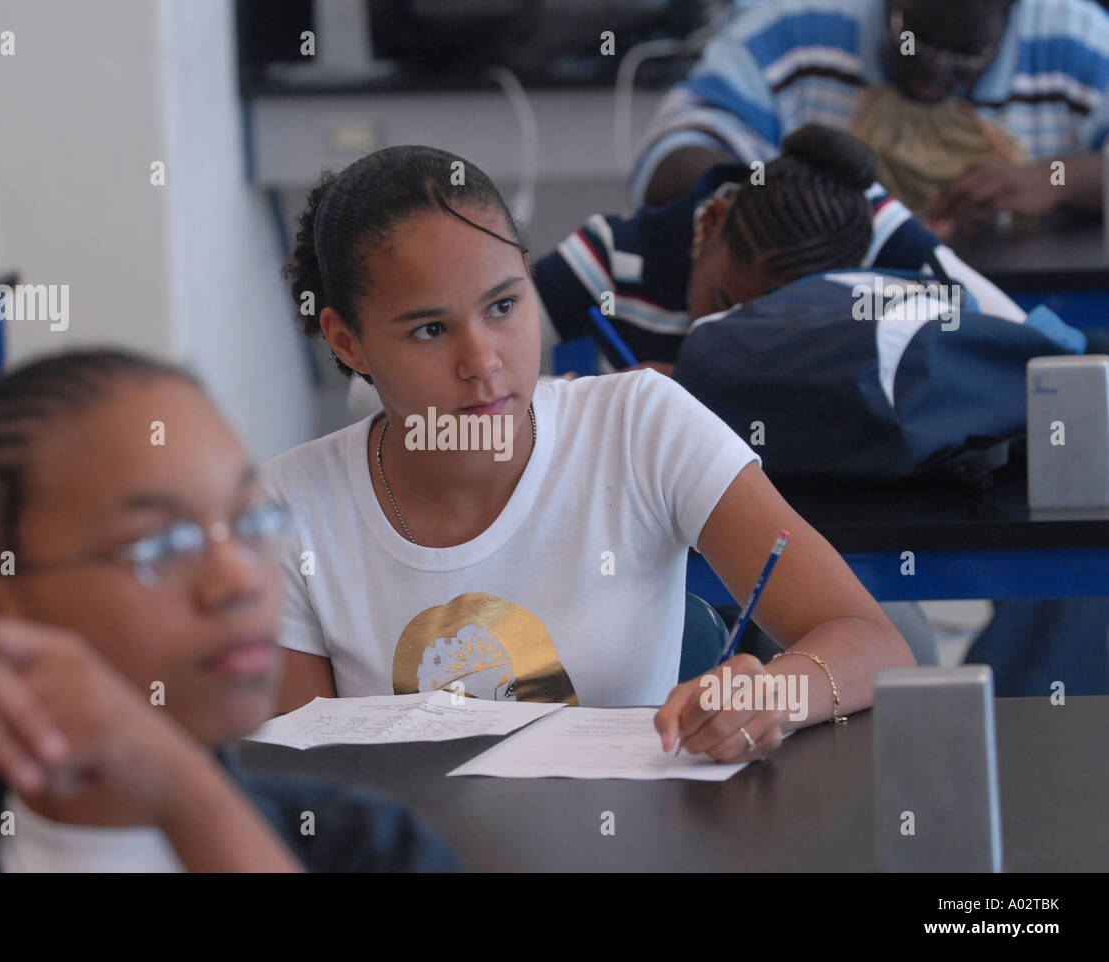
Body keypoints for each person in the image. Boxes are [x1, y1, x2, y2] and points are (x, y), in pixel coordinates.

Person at [261, 144, 915, 764]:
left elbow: (875, 643)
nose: (484, 363)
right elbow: (302, 783)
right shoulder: (285, 509)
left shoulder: (642, 426)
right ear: (348, 343)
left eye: (504, 305)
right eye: (431, 330)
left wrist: (774, 695)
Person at [0, 349, 457, 872]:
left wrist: (182, 792)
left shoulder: (366, 847)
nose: (237, 580)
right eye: (162, 545)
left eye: (252, 520)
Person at [536, 123, 1025, 374]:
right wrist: (585, 403)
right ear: (712, 219)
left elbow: (1027, 350)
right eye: (722, 307)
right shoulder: (617, 257)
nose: (733, 345)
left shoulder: (874, 237)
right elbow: (478, 349)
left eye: (779, 330)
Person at [633, 0, 1109, 234]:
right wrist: (777, 202)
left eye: (966, 53)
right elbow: (668, 160)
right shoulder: (795, 27)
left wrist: (1061, 177)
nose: (933, 66)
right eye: (914, 36)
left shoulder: (1078, 41)